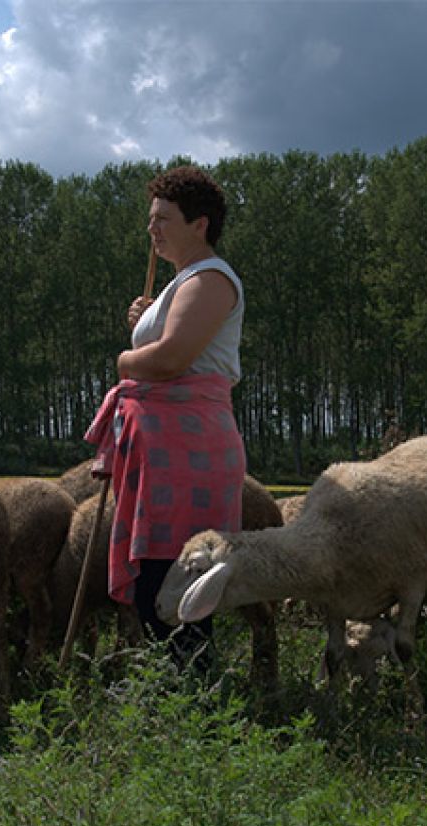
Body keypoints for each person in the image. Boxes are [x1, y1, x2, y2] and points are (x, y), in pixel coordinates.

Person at [84, 165, 246, 672]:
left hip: (188, 451)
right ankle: (177, 703)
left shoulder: (212, 279)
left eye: (163, 219)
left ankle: (190, 707)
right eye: (150, 219)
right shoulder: (185, 282)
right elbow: (168, 344)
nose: (152, 229)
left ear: (199, 224)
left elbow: (171, 360)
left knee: (178, 581)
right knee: (158, 580)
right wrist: (146, 321)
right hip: (167, 451)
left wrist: (125, 360)